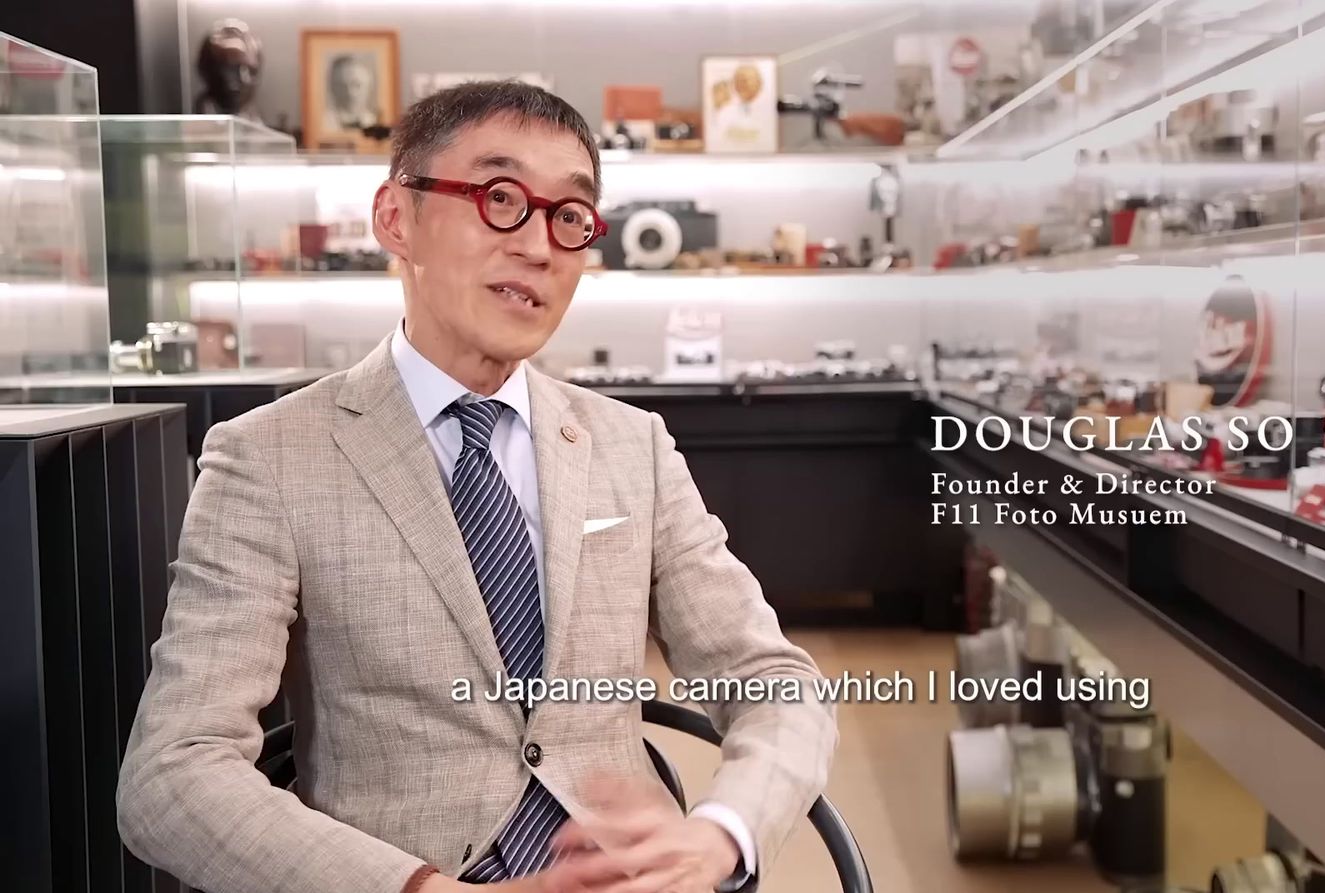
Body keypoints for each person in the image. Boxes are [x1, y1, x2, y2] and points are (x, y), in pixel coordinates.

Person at [117, 80, 837, 893]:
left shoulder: (632, 446)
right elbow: (172, 773)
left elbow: (775, 682)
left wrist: (716, 835)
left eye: (570, 216)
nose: (539, 246)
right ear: (397, 217)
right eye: (501, 197)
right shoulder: (271, 457)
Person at [327, 53, 380, 133]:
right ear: (332, 88)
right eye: (342, 86)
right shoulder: (323, 124)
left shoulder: (376, 122)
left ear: (369, 87)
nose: (350, 93)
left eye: (357, 85)